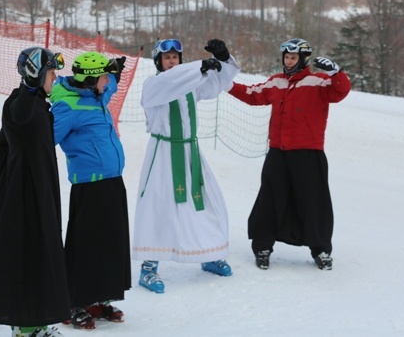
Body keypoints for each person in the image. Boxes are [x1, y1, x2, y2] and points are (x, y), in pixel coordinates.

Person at [228, 38, 351, 271]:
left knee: (313, 203)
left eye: (293, 57)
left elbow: (340, 92)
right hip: (278, 153)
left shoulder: (319, 81)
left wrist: (337, 72)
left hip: (308, 153)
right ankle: (262, 246)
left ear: (303, 59)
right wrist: (226, 84)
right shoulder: (277, 82)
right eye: (286, 57)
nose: (288, 61)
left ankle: (321, 250)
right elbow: (253, 94)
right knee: (270, 200)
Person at [131, 38, 240, 294]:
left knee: (204, 202)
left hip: (190, 152)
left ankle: (209, 252)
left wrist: (223, 60)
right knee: (159, 206)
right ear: (158, 61)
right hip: (163, 153)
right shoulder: (153, 85)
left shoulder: (191, 83)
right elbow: (171, 82)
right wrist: (199, 66)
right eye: (167, 57)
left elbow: (219, 84)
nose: (172, 61)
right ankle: (149, 266)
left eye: (175, 57)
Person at [0, 47, 70, 337]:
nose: (55, 78)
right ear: (36, 74)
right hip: (24, 194)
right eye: (51, 73)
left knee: (41, 254)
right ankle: (26, 327)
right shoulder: (22, 102)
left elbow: (2, 142)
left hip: (39, 188)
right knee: (28, 255)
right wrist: (30, 87)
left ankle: (36, 323)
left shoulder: (40, 103)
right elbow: (18, 117)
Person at [50, 51, 131, 330]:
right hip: (89, 186)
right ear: (91, 79)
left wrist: (116, 73)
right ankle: (72, 302)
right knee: (86, 247)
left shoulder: (96, 96)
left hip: (111, 182)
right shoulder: (68, 106)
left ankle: (95, 298)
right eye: (105, 77)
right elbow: (46, 139)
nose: (108, 82)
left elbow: (111, 88)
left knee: (109, 243)